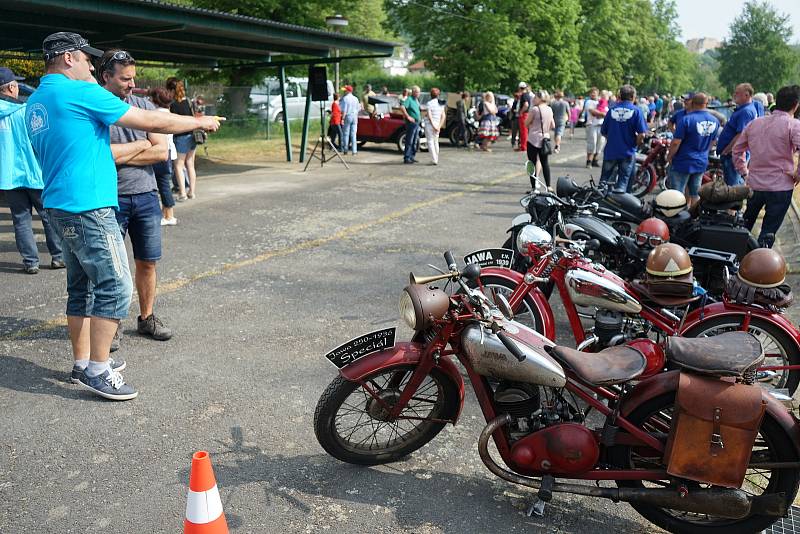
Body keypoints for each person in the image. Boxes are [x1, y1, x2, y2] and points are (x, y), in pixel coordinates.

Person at [26, 32, 220, 400]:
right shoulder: (79, 91)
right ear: (68, 58)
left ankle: (83, 363)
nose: (91, 66)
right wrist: (198, 122)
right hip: (88, 205)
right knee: (115, 286)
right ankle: (98, 371)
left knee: (81, 287)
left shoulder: (37, 101)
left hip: (59, 204)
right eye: (86, 59)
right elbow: (151, 121)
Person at [101, 49, 174, 346]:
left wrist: (124, 155)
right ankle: (111, 326)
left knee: (148, 262)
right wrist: (142, 145)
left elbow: (161, 151)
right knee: (110, 269)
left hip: (145, 196)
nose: (132, 84)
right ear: (106, 76)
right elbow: (102, 157)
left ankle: (146, 318)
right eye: (125, 78)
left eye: (134, 78)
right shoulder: (95, 107)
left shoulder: (142, 105)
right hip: (110, 198)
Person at [0, 66, 63, 274]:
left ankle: (31, 262)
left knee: (20, 219)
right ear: (11, 87)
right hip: (35, 173)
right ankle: (58, 256)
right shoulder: (26, 111)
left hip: (8, 176)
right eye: (16, 84)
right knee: (48, 215)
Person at [734, 85, 800, 248]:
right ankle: (760, 265)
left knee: (744, 227)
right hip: (781, 185)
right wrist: (798, 173)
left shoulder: (754, 123)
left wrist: (744, 172)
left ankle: (737, 258)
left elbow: (737, 150)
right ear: (796, 104)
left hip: (755, 184)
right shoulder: (793, 125)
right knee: (768, 233)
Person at [667, 93, 719, 209]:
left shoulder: (686, 119)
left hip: (683, 161)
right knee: (695, 193)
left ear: (692, 103)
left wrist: (670, 156)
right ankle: (693, 218)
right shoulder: (715, 121)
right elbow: (713, 142)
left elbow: (676, 142)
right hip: (701, 161)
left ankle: (678, 219)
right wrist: (704, 152)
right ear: (706, 104)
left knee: (677, 193)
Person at [599, 85, 648, 193]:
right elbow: (642, 134)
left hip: (611, 151)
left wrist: (613, 139)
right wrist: (635, 143)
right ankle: (620, 206)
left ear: (620, 95)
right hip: (627, 151)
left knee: (604, 181)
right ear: (633, 97)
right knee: (623, 184)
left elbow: (603, 132)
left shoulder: (611, 110)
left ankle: (599, 203)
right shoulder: (636, 111)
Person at [716, 83, 759, 186]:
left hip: (733, 155)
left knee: (733, 188)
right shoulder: (744, 109)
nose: (734, 95)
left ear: (747, 95)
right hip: (733, 154)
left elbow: (741, 135)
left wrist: (727, 150)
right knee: (733, 184)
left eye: (737, 93)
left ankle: (735, 202)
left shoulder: (746, 111)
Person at [148, 87, 178, 226]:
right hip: (170, 152)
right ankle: (166, 214)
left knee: (162, 185)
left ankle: (169, 216)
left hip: (161, 153)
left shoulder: (155, 114)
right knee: (164, 183)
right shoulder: (169, 112)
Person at [165, 77, 196, 200]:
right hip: (192, 136)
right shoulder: (188, 102)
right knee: (190, 164)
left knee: (178, 165)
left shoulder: (173, 105)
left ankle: (182, 192)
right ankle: (192, 192)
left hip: (181, 137)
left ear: (171, 90)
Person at [525, 91, 555, 188]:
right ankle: (549, 186)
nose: (533, 100)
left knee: (532, 164)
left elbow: (526, 123)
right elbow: (552, 125)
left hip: (533, 139)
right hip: (545, 138)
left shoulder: (535, 109)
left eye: (535, 98)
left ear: (539, 98)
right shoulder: (549, 109)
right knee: (545, 163)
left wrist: (533, 125)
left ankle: (534, 187)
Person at [424, 87, 445, 165]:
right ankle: (436, 158)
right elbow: (443, 116)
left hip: (430, 125)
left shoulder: (429, 103)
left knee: (430, 141)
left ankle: (434, 159)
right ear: (438, 95)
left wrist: (433, 125)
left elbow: (429, 116)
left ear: (430, 95)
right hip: (437, 123)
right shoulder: (441, 103)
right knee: (436, 141)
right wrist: (439, 126)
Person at [400, 85, 421, 163]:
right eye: (418, 92)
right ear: (414, 92)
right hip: (411, 123)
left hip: (416, 122)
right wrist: (408, 116)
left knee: (415, 140)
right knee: (410, 140)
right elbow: (402, 107)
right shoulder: (409, 99)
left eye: (419, 92)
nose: (419, 93)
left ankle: (412, 156)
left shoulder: (416, 100)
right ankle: (407, 157)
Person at [584, 87, 604, 167]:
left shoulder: (601, 102)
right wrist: (603, 114)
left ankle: (595, 160)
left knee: (600, 144)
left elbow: (606, 110)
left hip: (601, 125)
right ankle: (589, 161)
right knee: (592, 144)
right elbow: (593, 112)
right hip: (592, 125)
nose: (593, 94)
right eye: (592, 93)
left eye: (595, 93)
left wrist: (602, 114)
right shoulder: (589, 102)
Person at [340, 85, 360, 156]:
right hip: (354, 116)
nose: (344, 91)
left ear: (348, 91)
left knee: (346, 133)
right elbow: (358, 108)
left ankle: (345, 149)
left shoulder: (345, 99)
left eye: (345, 90)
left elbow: (344, 110)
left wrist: (342, 118)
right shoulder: (356, 98)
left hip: (348, 116)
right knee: (353, 134)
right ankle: (354, 151)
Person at [517, 82, 532, 151]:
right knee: (524, 131)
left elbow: (526, 105)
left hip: (524, 114)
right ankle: (523, 145)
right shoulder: (527, 95)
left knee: (523, 131)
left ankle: (524, 146)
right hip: (526, 114)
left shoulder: (524, 95)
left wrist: (521, 111)